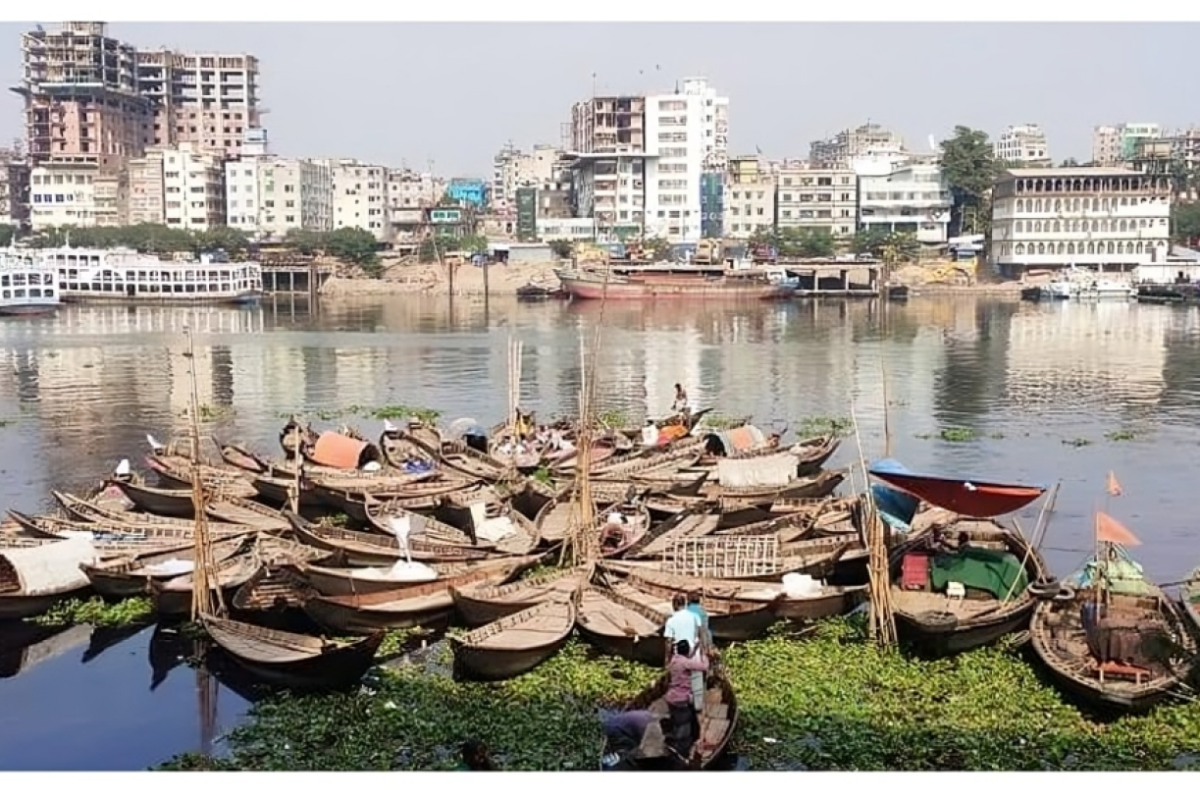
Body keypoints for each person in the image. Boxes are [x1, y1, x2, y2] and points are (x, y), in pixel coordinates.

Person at [665, 639, 708, 759]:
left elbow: (687, 657)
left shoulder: (675, 659)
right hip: (681, 699)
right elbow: (704, 666)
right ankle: (682, 753)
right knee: (684, 727)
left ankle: (674, 744)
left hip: (671, 698)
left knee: (677, 722)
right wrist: (704, 655)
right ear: (687, 651)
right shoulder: (686, 663)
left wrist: (696, 648)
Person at [663, 594, 699, 665]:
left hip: (680, 657)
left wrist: (667, 659)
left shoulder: (671, 621)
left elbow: (668, 642)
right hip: (694, 656)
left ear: (675, 604)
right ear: (684, 604)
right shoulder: (694, 617)